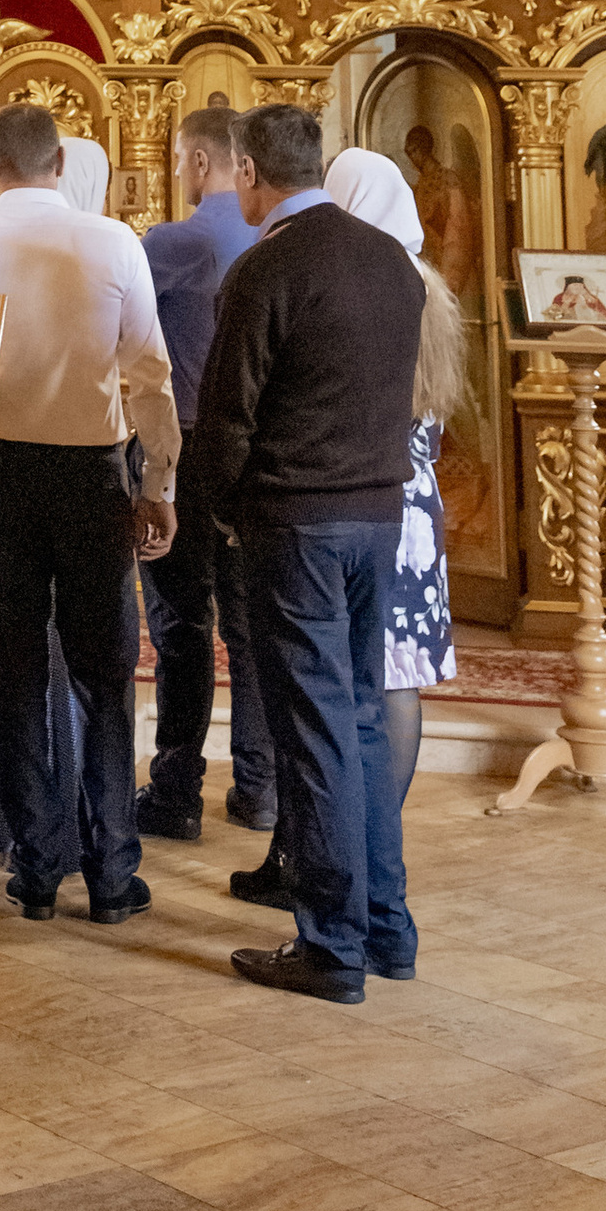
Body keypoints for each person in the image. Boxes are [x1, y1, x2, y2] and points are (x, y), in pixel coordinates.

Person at [193, 104, 426, 1005]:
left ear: (249, 171)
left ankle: (331, 947)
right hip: (379, 516)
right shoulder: (390, 263)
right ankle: (387, 930)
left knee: (319, 729)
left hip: (297, 522)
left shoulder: (267, 269)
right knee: (362, 719)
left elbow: (228, 417)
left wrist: (216, 512)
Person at [0, 106, 178, 924]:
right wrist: (161, 487)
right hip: (91, 481)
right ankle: (113, 872)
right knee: (104, 676)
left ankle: (35, 868)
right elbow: (150, 376)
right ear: (58, 162)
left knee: (11, 675)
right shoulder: (114, 243)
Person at [137, 105, 274, 840]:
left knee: (182, 622)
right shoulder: (270, 235)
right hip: (256, 452)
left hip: (184, 447)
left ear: (196, 161)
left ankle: (177, 790)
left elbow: (125, 336)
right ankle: (258, 788)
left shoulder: (172, 241)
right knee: (250, 623)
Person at [325, 152, 465, 793]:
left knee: (354, 666)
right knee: (399, 667)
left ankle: (360, 822)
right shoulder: (431, 288)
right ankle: (388, 821)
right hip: (417, 499)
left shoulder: (359, 282)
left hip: (363, 486)